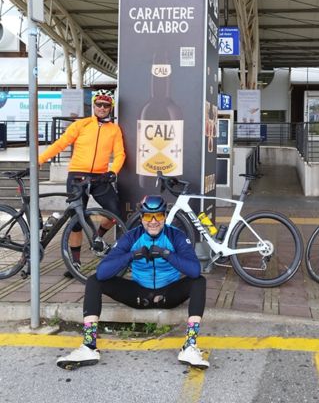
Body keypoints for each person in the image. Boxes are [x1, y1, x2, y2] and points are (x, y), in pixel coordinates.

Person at [56, 195, 209, 370]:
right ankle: (89, 346)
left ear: (165, 216)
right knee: (94, 281)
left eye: (158, 216)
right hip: (138, 295)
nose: (153, 221)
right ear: (141, 217)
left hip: (169, 294)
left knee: (199, 282)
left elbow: (194, 270)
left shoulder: (176, 236)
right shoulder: (131, 237)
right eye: (148, 216)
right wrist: (132, 255)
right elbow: (103, 272)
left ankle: (190, 346)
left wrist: (166, 254)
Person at [38, 89, 126, 277]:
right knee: (76, 221)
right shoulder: (81, 124)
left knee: (115, 213)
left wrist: (113, 171)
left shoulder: (114, 129)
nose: (102, 108)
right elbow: (61, 143)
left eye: (106, 105)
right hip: (78, 176)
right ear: (94, 105)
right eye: (99, 104)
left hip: (100, 177)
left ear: (110, 107)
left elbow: (120, 154)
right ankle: (75, 263)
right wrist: (40, 159)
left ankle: (97, 239)